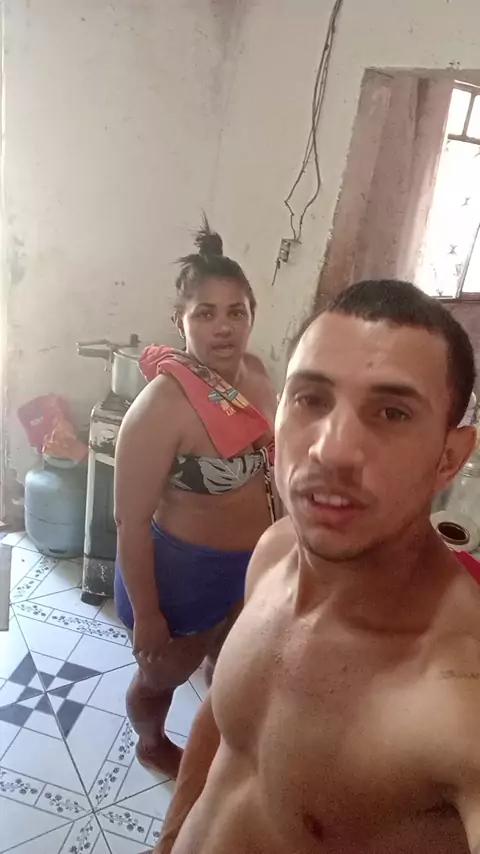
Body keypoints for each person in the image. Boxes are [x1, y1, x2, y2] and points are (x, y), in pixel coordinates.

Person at [155, 279, 480, 854]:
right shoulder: (274, 550)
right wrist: (170, 837)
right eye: (312, 398)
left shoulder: (458, 695)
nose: (331, 450)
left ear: (449, 457)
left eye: (392, 412)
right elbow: (223, 721)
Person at [114, 219, 278, 779]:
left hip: (248, 564)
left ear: (252, 314)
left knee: (229, 664)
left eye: (236, 312)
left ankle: (216, 742)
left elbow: (271, 466)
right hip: (181, 576)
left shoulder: (256, 375)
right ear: (179, 320)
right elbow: (130, 523)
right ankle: (152, 743)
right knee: (159, 678)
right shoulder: (160, 410)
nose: (223, 327)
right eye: (205, 313)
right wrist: (148, 616)